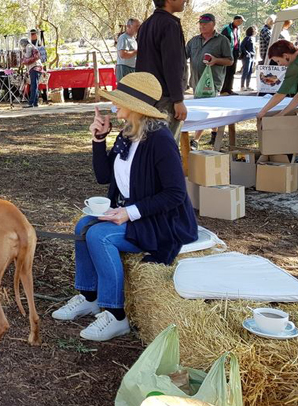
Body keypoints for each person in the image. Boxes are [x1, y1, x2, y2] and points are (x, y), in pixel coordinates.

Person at [51, 72, 197, 341]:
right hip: (133, 214)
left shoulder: (161, 141)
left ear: (137, 107)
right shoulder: (128, 133)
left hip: (160, 222)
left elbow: (176, 194)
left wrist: (128, 212)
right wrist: (98, 139)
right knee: (83, 225)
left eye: (120, 100)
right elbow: (103, 176)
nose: (114, 104)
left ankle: (116, 314)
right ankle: (88, 296)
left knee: (98, 235)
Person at [135, 0, 189, 136]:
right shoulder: (169, 24)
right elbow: (172, 64)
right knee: (166, 145)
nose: (184, 0)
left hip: (147, 95)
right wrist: (178, 100)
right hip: (165, 98)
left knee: (150, 143)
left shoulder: (146, 24)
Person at [185, 13, 233, 149]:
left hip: (212, 83)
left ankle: (195, 140)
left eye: (205, 23)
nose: (202, 26)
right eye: (200, 23)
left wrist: (216, 60)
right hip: (196, 81)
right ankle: (214, 133)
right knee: (209, 109)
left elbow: (230, 61)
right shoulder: (194, 40)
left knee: (204, 110)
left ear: (213, 24)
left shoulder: (222, 40)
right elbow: (183, 55)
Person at [255, 39, 298, 122]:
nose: (279, 64)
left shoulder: (296, 65)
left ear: (285, 55)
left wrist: (262, 112)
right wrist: (281, 114)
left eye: (278, 61)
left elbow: (280, 94)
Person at [219, 15, 245, 95]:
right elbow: (222, 40)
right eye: (240, 21)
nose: (241, 23)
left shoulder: (238, 29)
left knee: (232, 71)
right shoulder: (227, 28)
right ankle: (223, 90)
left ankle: (229, 89)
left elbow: (238, 40)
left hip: (235, 52)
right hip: (227, 52)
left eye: (242, 22)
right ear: (235, 20)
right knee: (227, 71)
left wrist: (239, 51)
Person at [19, 38, 42, 108]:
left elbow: (27, 56)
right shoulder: (32, 46)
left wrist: (23, 53)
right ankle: (35, 102)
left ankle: (31, 103)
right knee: (35, 85)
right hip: (37, 67)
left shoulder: (28, 46)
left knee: (33, 86)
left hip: (34, 67)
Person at [240, 26, 257, 91]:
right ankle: (242, 86)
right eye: (255, 30)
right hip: (247, 57)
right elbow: (242, 45)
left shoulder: (252, 38)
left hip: (252, 56)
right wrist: (247, 53)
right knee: (245, 71)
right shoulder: (247, 38)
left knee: (249, 72)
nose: (256, 32)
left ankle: (248, 86)